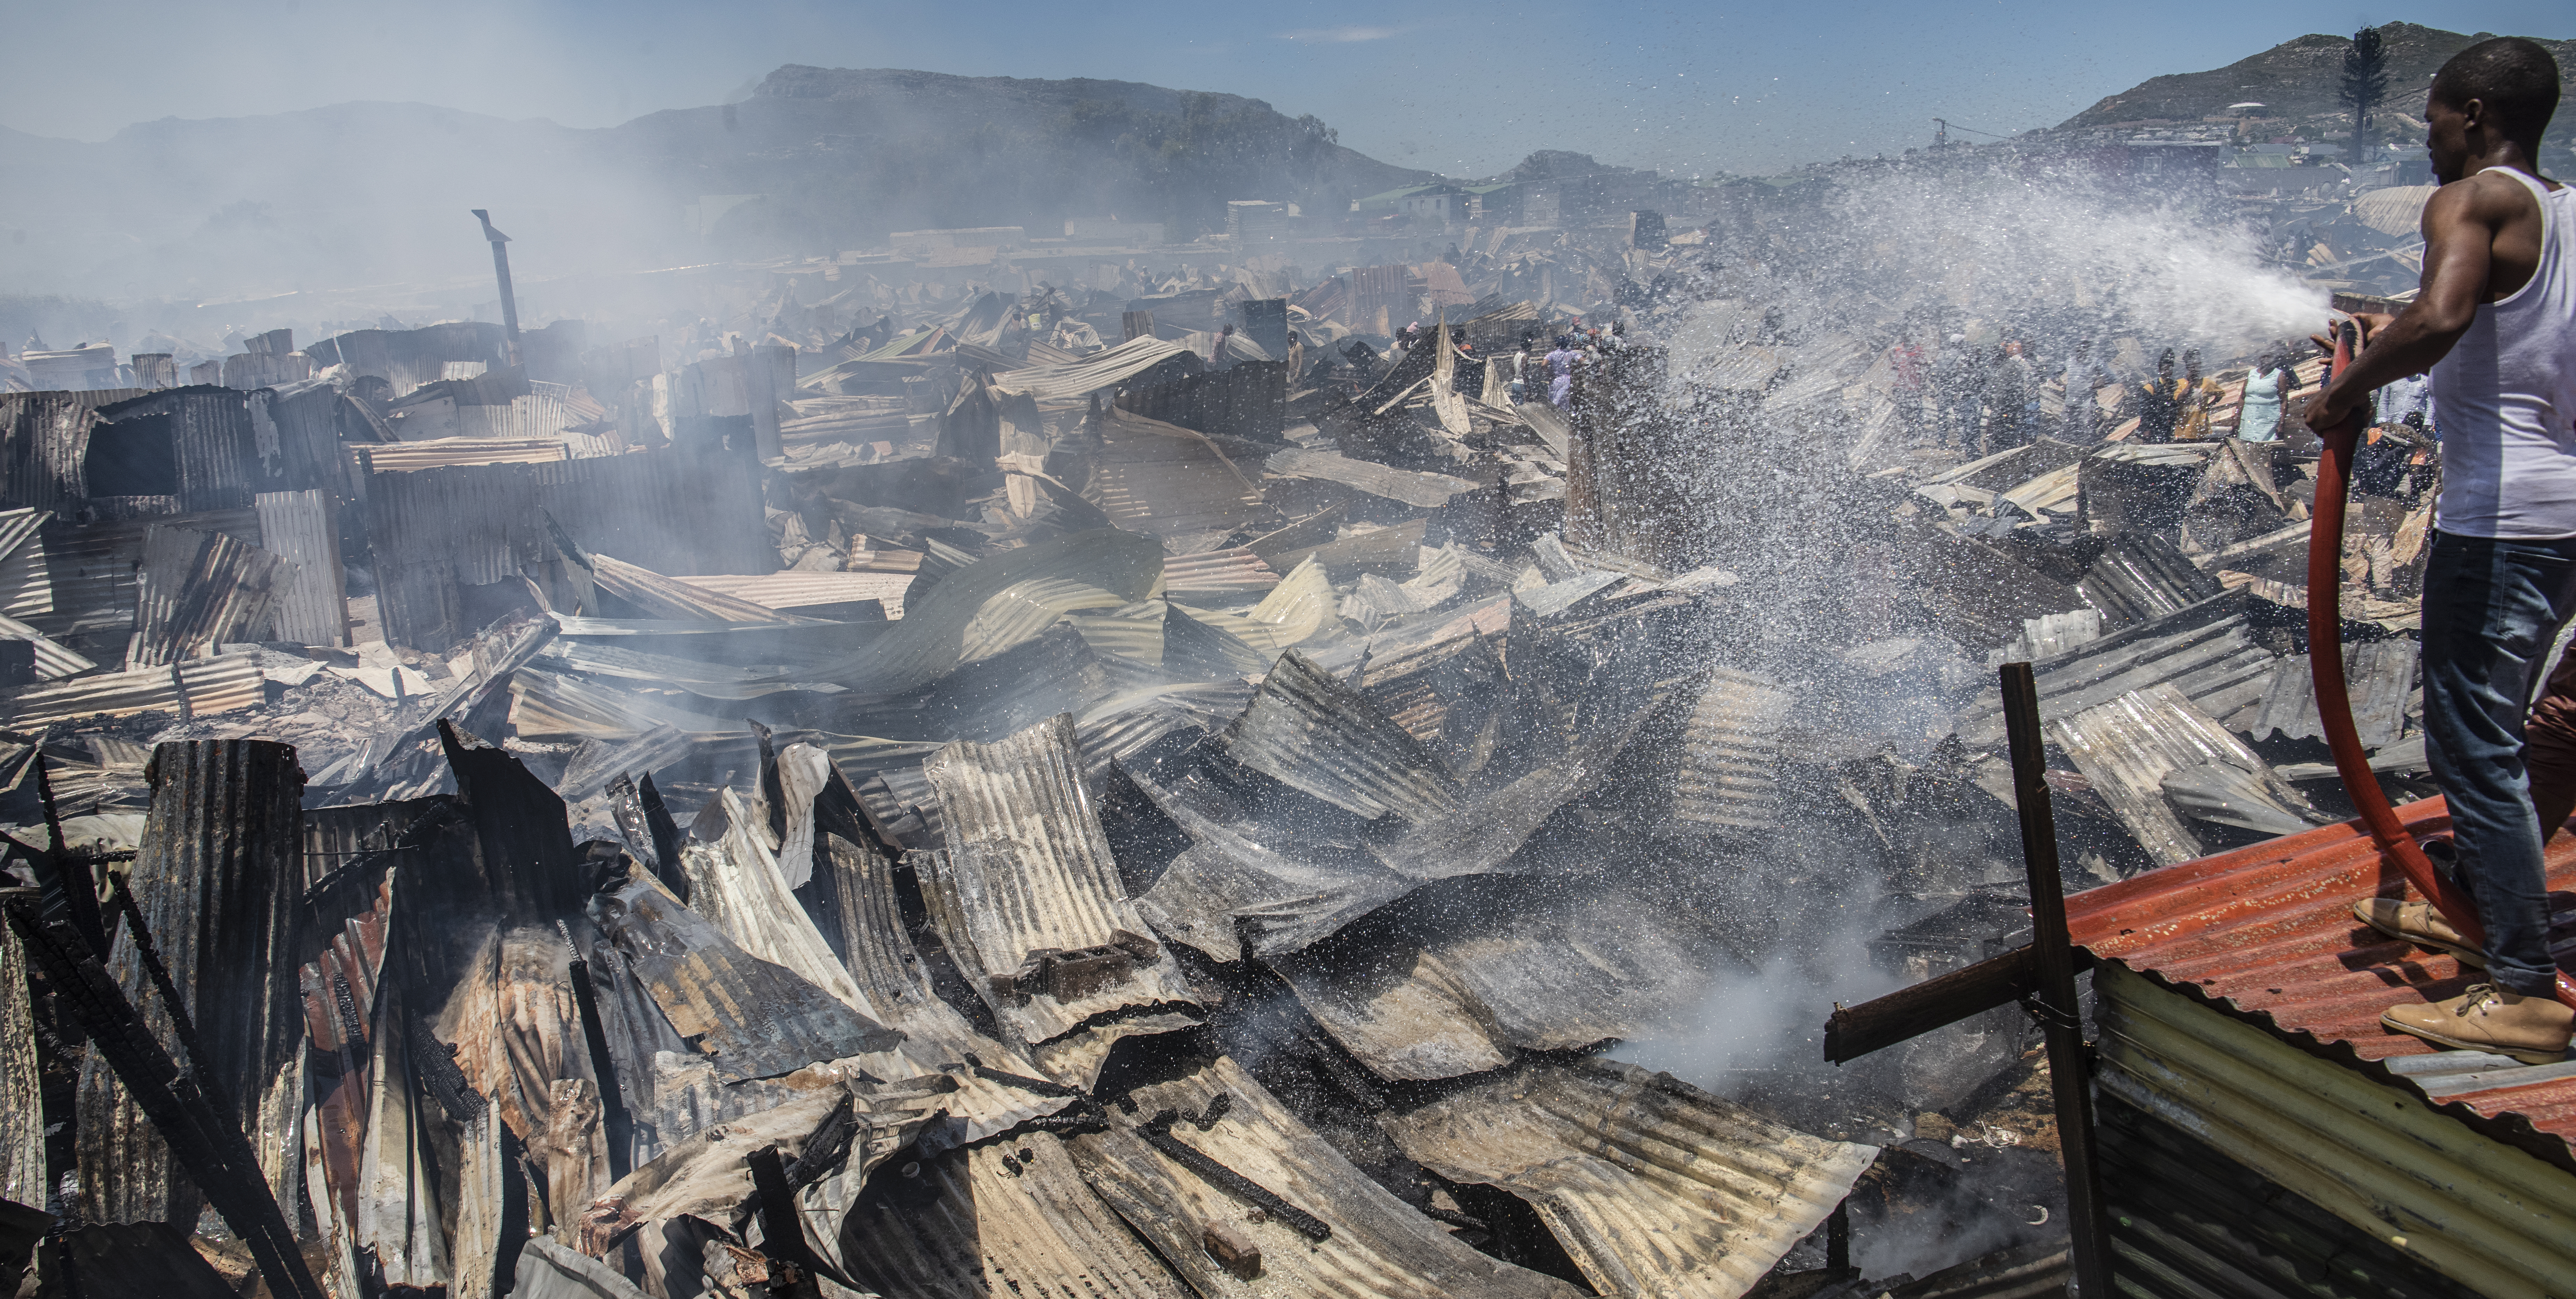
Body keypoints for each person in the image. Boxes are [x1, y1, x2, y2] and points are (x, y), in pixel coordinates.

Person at [2310, 37, 2574, 1062]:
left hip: (2503, 521)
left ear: (2470, 113)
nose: (2424, 137)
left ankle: (2524, 992)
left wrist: (2343, 389)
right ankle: (2469, 901)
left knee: (2472, 744)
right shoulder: (2563, 212)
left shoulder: (2469, 199)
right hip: (2562, 509)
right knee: (2496, 736)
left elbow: (2439, 314)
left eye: (2429, 117)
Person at [2060, 339, 2110, 442]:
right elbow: (2054, 375)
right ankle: (2067, 447)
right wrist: (2064, 386)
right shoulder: (2069, 362)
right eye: (2079, 350)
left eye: (2084, 350)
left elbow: (2112, 378)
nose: (2081, 353)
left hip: (2087, 402)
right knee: (2067, 429)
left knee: (2086, 430)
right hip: (2070, 402)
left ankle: (2086, 448)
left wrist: (2095, 386)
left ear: (2089, 351)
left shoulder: (2096, 362)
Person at [2235, 349, 2288, 442]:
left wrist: (2282, 424)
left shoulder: (2279, 375)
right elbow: (2243, 398)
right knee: (2246, 445)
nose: (2266, 359)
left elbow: (2284, 401)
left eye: (2269, 357)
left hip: (2268, 422)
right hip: (2248, 420)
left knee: (2265, 446)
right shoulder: (2251, 374)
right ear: (2260, 359)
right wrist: (2237, 418)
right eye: (2264, 357)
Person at [2174, 349, 2225, 440]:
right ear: (2188, 367)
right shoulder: (2180, 383)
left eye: (2197, 366)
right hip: (2183, 429)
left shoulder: (2207, 383)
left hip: (2201, 428)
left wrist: (2209, 406)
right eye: (2192, 367)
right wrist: (2190, 384)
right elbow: (2179, 399)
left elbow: (2220, 394)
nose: (2195, 370)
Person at [2136, 349, 2186, 443]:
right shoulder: (2151, 388)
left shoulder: (2175, 385)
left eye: (2170, 369)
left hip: (2170, 426)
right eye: (2165, 369)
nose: (2168, 372)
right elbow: (2145, 412)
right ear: (2160, 370)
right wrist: (2147, 429)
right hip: (2155, 427)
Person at [1888, 333, 1929, 444]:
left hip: (1914, 388)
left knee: (1915, 412)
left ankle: (1917, 434)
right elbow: (1894, 368)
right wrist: (1894, 384)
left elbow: (1925, 367)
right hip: (1902, 387)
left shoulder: (1918, 350)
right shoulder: (1899, 351)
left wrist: (1922, 383)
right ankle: (1911, 435)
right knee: (1906, 413)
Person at [1545, 335, 1580, 410]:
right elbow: (1584, 361)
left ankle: (1555, 414)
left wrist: (1549, 374)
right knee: (1566, 401)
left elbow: (1544, 365)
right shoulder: (1572, 354)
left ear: (1557, 344)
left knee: (1555, 401)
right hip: (1568, 380)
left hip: (1556, 380)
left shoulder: (1552, 354)